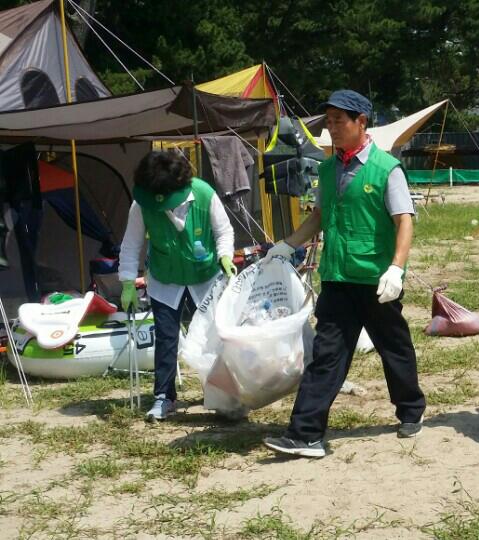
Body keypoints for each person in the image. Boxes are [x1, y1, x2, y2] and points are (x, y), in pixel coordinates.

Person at [262, 90, 425, 458]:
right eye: (329, 121)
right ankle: (305, 433)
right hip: (337, 276)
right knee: (327, 354)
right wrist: (288, 244)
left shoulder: (387, 169)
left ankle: (411, 409)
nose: (331, 128)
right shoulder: (327, 167)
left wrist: (396, 269)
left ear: (361, 122)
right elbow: (319, 216)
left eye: (339, 120)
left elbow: (404, 221)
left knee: (393, 347)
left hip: (376, 279)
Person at [119, 150, 236, 421]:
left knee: (213, 336)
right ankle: (164, 397)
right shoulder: (142, 203)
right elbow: (131, 244)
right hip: (164, 279)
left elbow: (224, 231)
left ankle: (222, 393)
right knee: (166, 338)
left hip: (204, 277)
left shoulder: (204, 194)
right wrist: (126, 281)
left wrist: (225, 255)